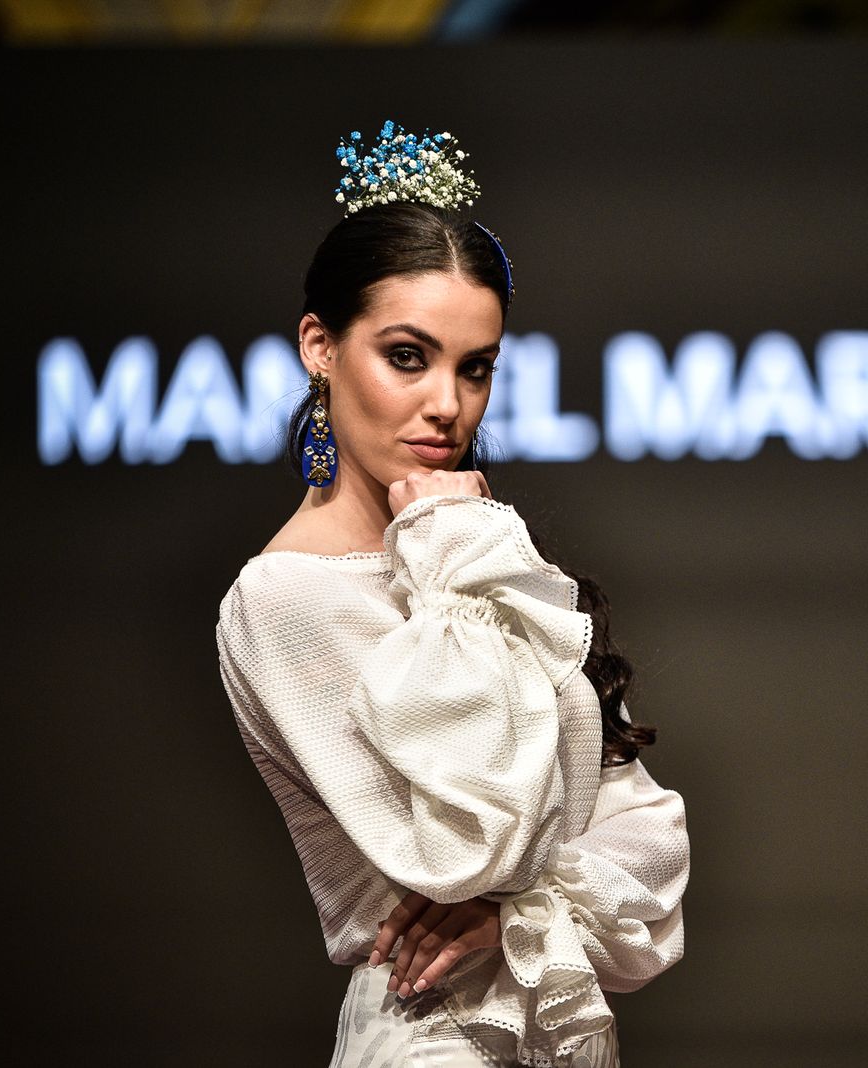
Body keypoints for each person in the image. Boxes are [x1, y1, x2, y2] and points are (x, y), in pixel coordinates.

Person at [214, 121, 689, 1068]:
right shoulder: (285, 599)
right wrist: (451, 538)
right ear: (320, 346)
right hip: (433, 1037)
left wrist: (517, 914)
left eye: (475, 368)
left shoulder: (480, 565)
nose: (448, 403)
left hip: (557, 1029)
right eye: (407, 356)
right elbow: (477, 850)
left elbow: (652, 843)